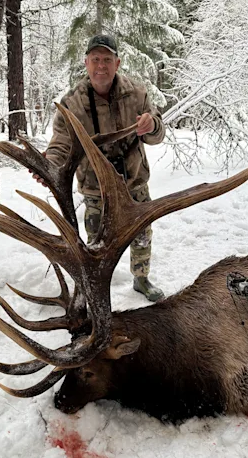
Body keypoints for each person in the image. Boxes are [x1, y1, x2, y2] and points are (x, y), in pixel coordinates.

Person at [38, 34, 166, 301]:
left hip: (134, 184)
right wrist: (50, 163)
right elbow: (61, 142)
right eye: (95, 59)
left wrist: (151, 125)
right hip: (96, 189)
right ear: (86, 63)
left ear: (117, 63)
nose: (101, 66)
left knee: (142, 234)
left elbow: (157, 134)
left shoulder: (137, 94)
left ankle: (141, 279)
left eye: (107, 59)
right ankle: (96, 288)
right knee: (96, 243)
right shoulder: (72, 103)